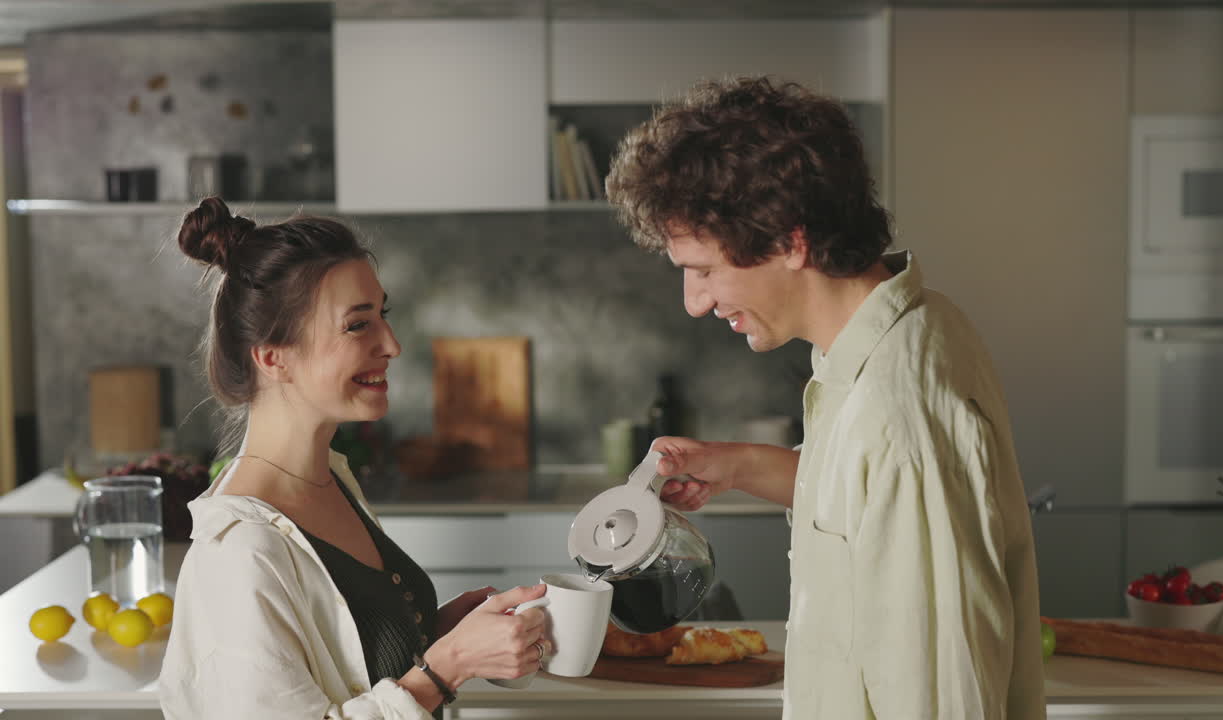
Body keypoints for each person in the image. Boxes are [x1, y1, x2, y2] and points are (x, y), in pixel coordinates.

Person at [605, 77, 1046, 719]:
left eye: (704, 270)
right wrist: (741, 465)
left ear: (790, 241)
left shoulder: (900, 416)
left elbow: (942, 694)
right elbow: (865, 501)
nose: (695, 302)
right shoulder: (902, 334)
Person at [159, 198, 548, 719]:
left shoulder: (330, 479)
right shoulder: (239, 553)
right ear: (274, 357)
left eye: (382, 316)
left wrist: (433, 636)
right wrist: (445, 667)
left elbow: (349, 665)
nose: (392, 344)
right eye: (357, 325)